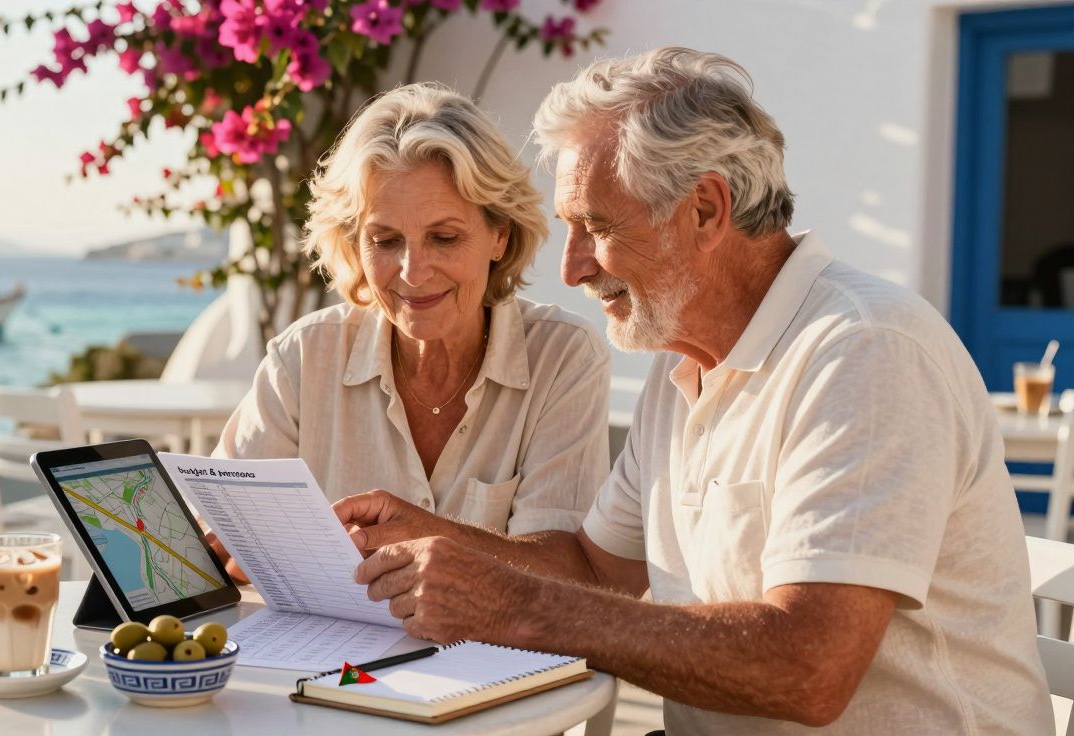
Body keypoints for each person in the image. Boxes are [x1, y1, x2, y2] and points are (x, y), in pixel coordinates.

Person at [334, 48, 1053, 733]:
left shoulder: (863, 352)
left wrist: (513, 603)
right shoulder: (682, 362)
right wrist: (422, 534)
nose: (574, 268)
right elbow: (594, 570)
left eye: (597, 227)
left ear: (707, 210)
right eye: (569, 230)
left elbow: (808, 668)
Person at [213, 83, 611, 576]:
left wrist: (422, 535)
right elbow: (222, 542)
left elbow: (566, 572)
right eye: (385, 240)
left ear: (499, 235)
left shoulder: (564, 356)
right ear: (353, 244)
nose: (412, 271)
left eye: (444, 238)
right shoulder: (303, 357)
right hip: (331, 652)